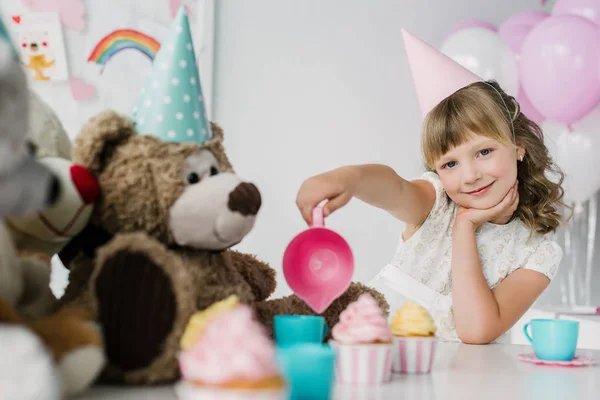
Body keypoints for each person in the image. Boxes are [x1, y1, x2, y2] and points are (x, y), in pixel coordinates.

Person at [295, 30, 567, 344]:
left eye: (483, 152)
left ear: (518, 148)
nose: (469, 176)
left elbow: (476, 331)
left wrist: (465, 228)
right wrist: (351, 178)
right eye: (450, 164)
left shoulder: (536, 254)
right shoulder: (436, 200)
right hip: (378, 371)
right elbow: (394, 188)